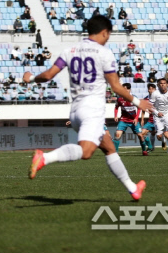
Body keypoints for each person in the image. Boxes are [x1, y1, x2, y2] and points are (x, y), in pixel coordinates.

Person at [25, 18, 152, 199]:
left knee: (108, 148)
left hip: (76, 110)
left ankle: (133, 188)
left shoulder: (70, 50)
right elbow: (116, 86)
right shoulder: (104, 53)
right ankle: (44, 158)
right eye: (109, 34)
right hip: (92, 111)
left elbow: (48, 75)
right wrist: (139, 103)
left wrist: (30, 79)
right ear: (104, 32)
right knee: (86, 152)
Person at [113, 83, 147, 154]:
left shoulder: (133, 98)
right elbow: (116, 107)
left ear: (130, 90)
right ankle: (115, 152)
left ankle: (144, 150)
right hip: (123, 120)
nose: (125, 91)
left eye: (127, 89)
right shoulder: (119, 99)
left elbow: (139, 108)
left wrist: (136, 118)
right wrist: (115, 115)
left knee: (140, 136)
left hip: (133, 120)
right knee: (117, 135)